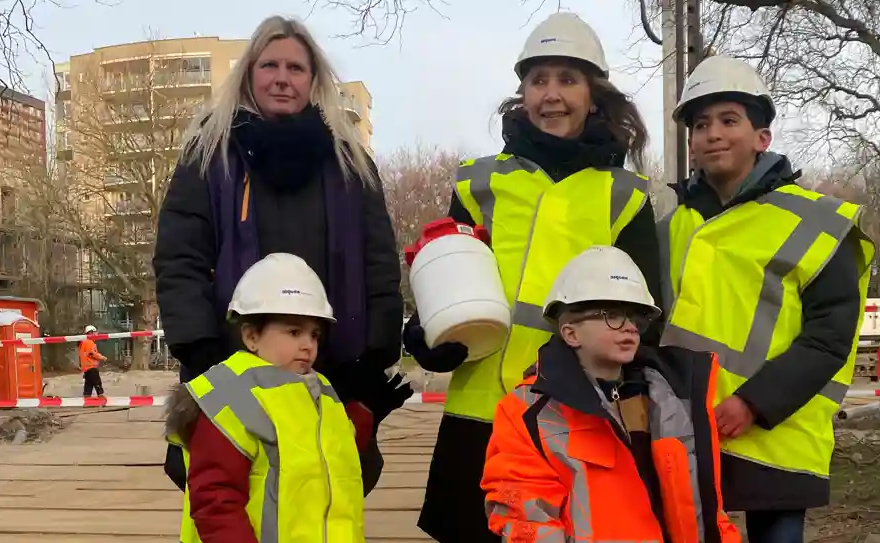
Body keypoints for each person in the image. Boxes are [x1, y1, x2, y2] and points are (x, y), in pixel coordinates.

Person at [402, 12, 663, 542]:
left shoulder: (626, 195)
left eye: (568, 79)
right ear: (522, 92)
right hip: (480, 409)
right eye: (538, 80)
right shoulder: (480, 182)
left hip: (578, 414)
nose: (552, 94)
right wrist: (427, 335)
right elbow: (443, 275)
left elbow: (644, 314)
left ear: (595, 94)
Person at [153, 16, 411, 492]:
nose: (281, 78)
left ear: (313, 80)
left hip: (331, 367)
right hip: (229, 363)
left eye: (295, 67)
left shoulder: (351, 164)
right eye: (269, 64)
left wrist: (374, 355)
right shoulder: (209, 156)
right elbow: (179, 259)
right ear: (250, 74)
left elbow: (379, 262)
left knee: (326, 490)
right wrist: (201, 350)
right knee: (226, 494)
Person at [659, 55, 875, 543]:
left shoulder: (818, 223)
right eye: (700, 124)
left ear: (762, 138)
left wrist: (752, 402)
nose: (712, 133)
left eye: (729, 120)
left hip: (777, 440)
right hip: (687, 436)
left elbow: (828, 338)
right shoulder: (671, 228)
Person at [482, 246, 740, 542]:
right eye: (613, 315)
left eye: (635, 318)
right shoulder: (526, 412)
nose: (630, 327)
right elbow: (528, 518)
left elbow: (708, 508)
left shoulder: (672, 399)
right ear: (571, 333)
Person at [165, 253, 381, 543]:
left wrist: (363, 419)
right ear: (251, 336)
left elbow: (323, 455)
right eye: (294, 331)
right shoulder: (230, 398)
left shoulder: (321, 389)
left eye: (315, 334)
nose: (308, 345)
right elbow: (216, 501)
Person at [79, 325, 107, 398]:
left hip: (86, 368)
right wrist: (102, 357)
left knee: (89, 385)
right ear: (91, 333)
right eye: (95, 332)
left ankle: (87, 401)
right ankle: (101, 399)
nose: (97, 334)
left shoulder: (84, 341)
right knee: (97, 384)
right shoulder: (89, 341)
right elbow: (91, 353)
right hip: (91, 367)